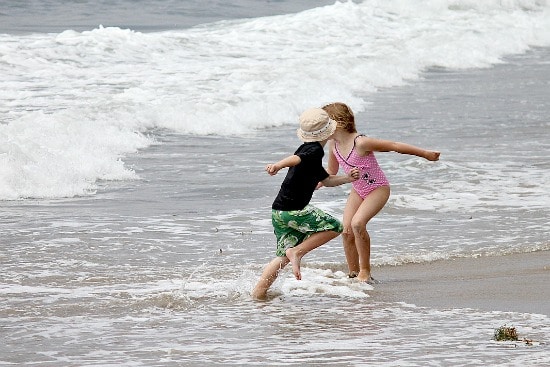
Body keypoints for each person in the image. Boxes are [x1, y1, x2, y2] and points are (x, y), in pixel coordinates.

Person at [322, 102, 440, 283]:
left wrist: (425, 154)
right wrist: (316, 182)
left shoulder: (360, 142)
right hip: (358, 189)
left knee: (357, 224)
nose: (320, 128)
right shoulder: (333, 144)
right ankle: (353, 274)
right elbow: (331, 172)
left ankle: (365, 271)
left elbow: (394, 145)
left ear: (337, 123)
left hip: (378, 188)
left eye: (323, 123)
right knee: (346, 231)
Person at [251, 108, 359, 300]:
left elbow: (326, 180)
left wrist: (347, 178)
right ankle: (298, 252)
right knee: (335, 227)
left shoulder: (310, 154)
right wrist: (278, 165)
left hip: (279, 212)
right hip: (294, 210)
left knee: (283, 257)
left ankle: (258, 293)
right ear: (329, 131)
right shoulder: (314, 150)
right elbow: (295, 160)